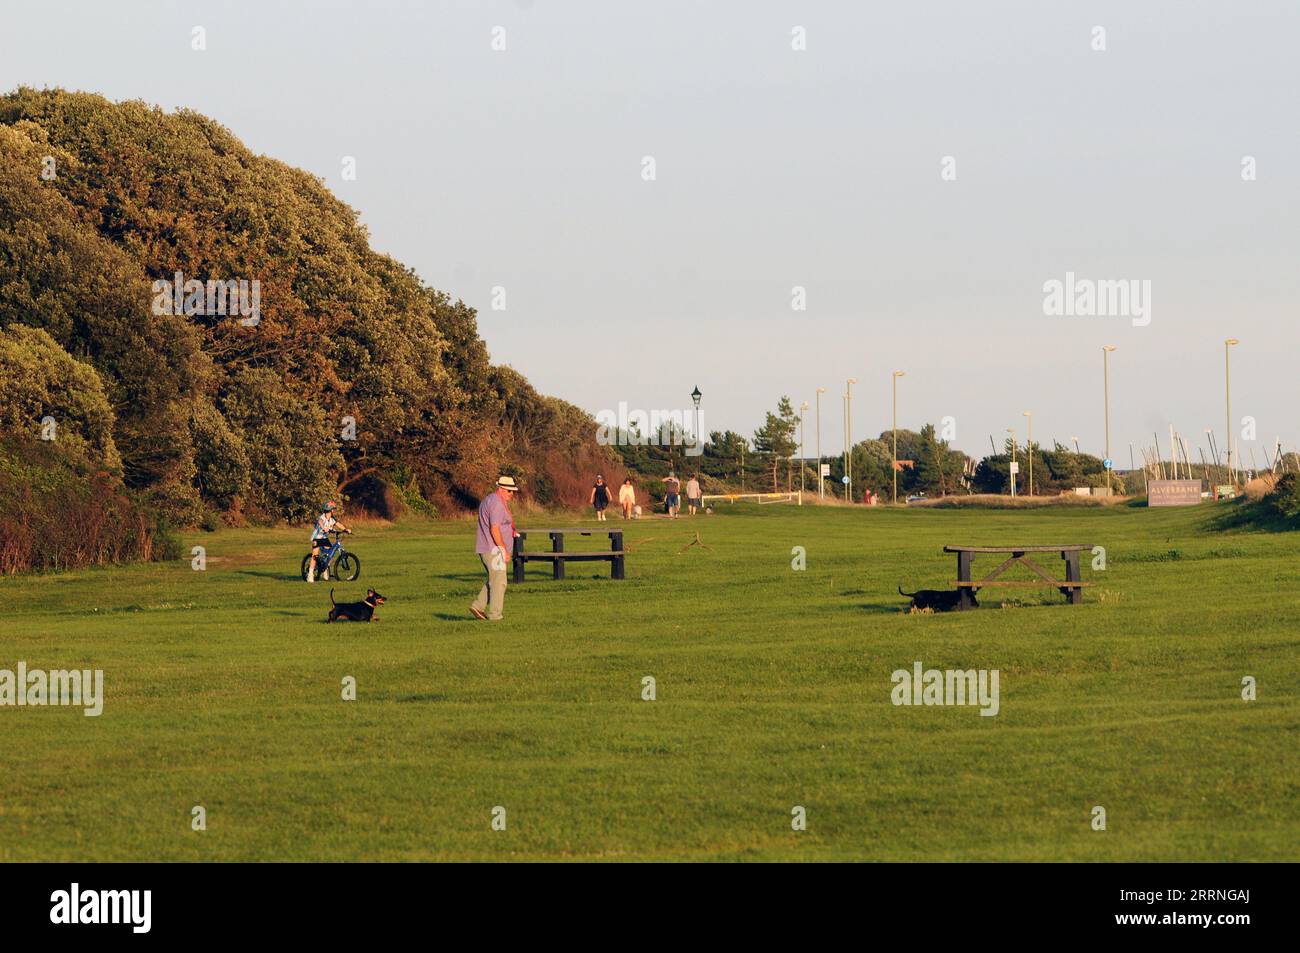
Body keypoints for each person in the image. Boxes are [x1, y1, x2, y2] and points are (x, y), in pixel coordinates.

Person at [470, 476, 519, 621]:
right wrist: (503, 549)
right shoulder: (497, 503)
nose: (512, 494)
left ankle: (478, 606)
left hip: (489, 548)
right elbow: (495, 528)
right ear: (502, 489)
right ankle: (495, 615)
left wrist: (512, 532)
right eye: (510, 491)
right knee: (500, 581)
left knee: (495, 579)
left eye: (513, 491)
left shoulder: (491, 499)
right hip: (494, 549)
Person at [307, 501, 348, 583]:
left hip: (324, 538)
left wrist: (345, 529)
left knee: (330, 553)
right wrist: (324, 528)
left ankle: (325, 569)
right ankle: (310, 574)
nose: (334, 511)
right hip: (317, 538)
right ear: (330, 510)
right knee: (315, 555)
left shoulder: (332, 519)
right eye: (333, 509)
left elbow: (338, 524)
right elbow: (320, 522)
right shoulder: (322, 517)